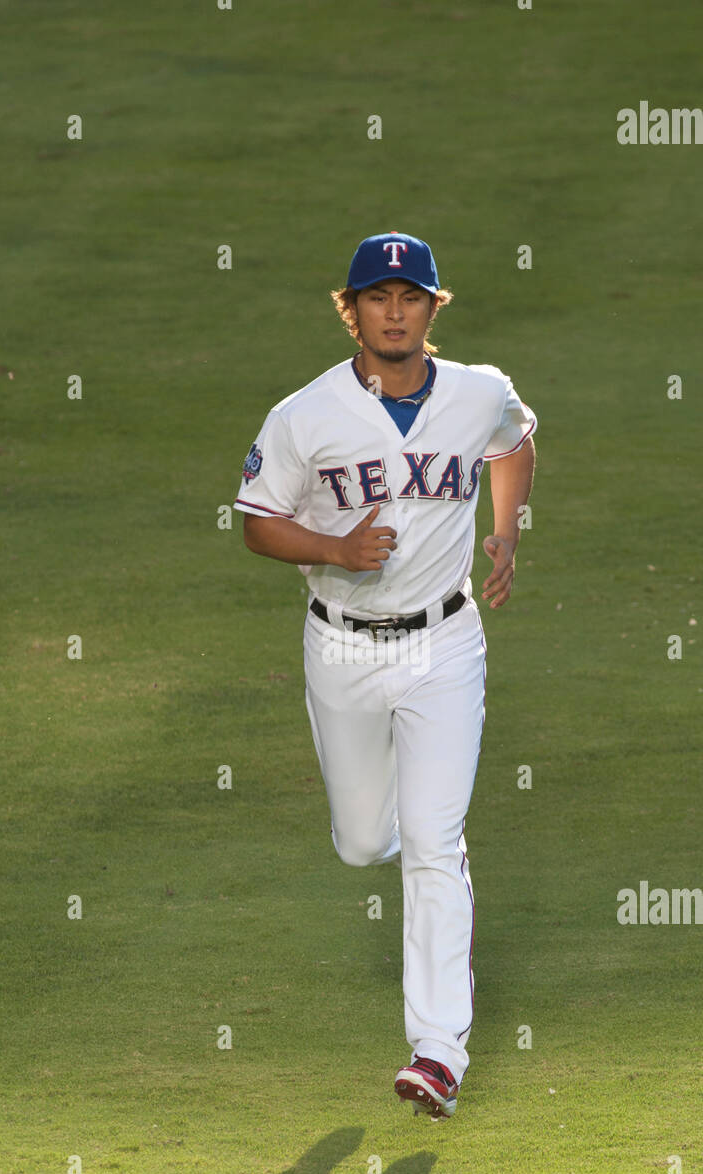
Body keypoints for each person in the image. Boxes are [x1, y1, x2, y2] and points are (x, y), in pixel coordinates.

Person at [234, 232, 537, 1119]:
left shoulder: (479, 392)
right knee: (368, 841)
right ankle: (410, 853)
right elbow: (254, 520)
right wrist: (334, 548)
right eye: (378, 297)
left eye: (412, 297)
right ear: (352, 310)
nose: (395, 311)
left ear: (434, 308)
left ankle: (438, 1050)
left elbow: (515, 440)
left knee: (437, 842)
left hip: (446, 644)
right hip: (342, 646)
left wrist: (509, 529)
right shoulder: (305, 415)